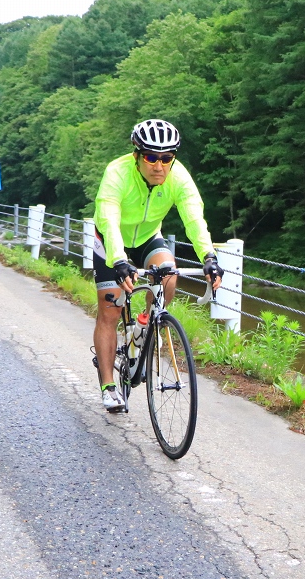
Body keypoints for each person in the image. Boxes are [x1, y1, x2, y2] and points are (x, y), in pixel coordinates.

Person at [92, 119, 224, 412]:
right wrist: (118, 260)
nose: (159, 165)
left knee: (169, 277)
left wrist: (209, 258)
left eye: (166, 158)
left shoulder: (179, 177)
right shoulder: (117, 172)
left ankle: (145, 324)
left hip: (149, 237)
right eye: (151, 157)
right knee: (110, 311)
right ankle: (108, 385)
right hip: (111, 243)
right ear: (137, 155)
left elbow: (194, 219)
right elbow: (109, 219)